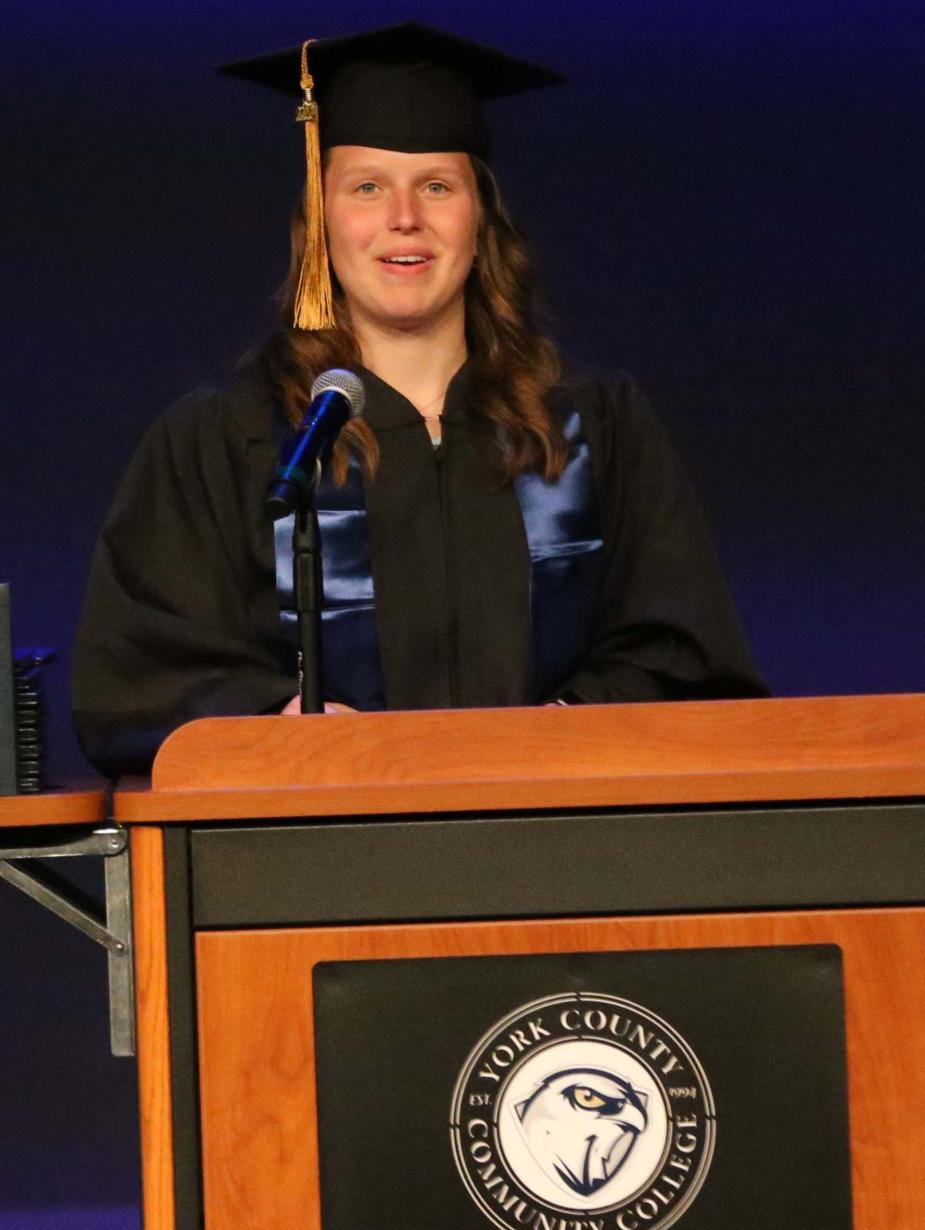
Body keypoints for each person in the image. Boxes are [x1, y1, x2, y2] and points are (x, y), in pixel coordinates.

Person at [72, 23, 766, 778]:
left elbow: (683, 655)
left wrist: (558, 736)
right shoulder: (222, 442)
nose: (405, 217)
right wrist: (279, 721)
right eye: (366, 186)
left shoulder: (595, 428)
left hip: (564, 844)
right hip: (314, 857)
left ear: (480, 220)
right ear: (321, 222)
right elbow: (139, 675)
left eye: (437, 185)